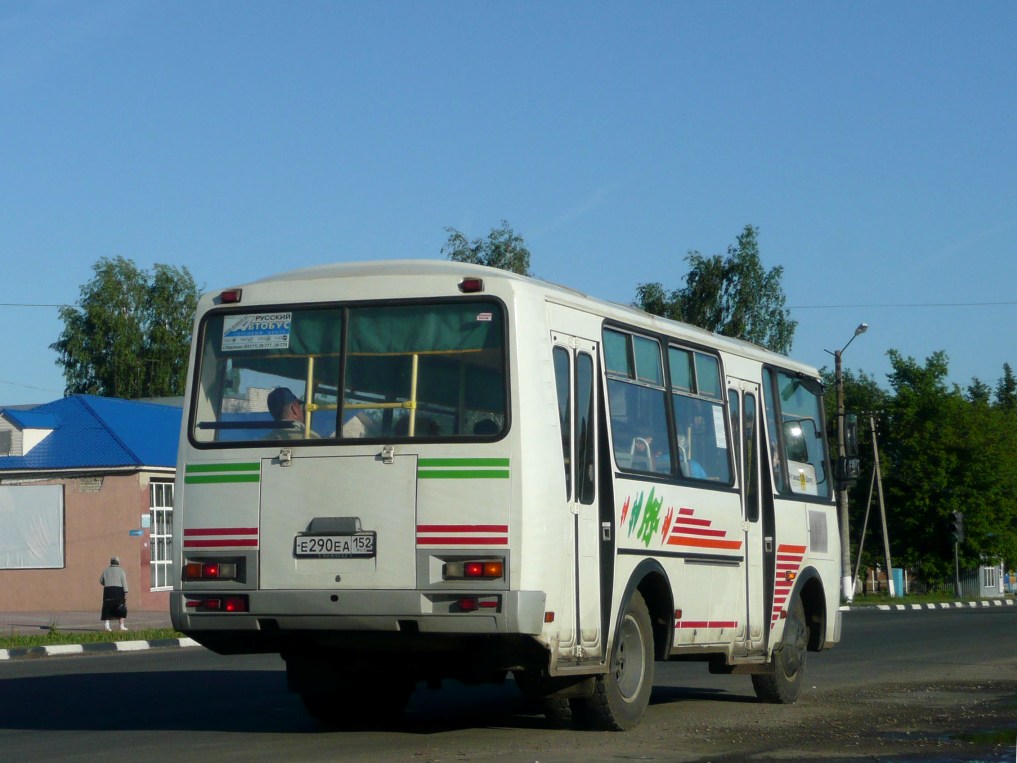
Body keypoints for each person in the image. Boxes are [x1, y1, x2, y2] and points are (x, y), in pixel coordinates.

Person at [99, 556, 128, 631]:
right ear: (118, 562)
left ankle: (107, 626)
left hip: (108, 590)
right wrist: (126, 592)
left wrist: (107, 584)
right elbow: (124, 582)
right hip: (118, 590)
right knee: (121, 607)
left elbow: (101, 580)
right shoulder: (121, 570)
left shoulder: (106, 570)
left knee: (107, 608)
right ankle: (121, 626)